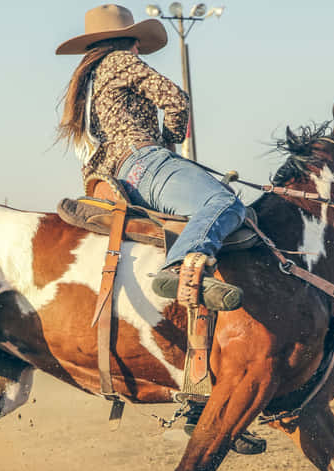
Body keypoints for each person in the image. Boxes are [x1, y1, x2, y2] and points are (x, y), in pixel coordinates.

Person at [56, 4, 246, 311]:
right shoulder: (120, 60)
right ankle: (179, 266)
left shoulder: (89, 79)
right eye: (138, 44)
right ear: (130, 41)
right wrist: (169, 141)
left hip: (116, 178)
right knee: (223, 202)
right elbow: (176, 100)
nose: (139, 50)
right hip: (143, 161)